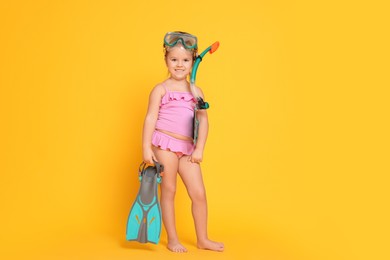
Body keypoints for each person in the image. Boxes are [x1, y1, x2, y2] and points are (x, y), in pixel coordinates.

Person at [142, 31, 224, 253]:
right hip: (164, 144)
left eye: (185, 60)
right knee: (168, 190)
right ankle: (173, 239)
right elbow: (150, 117)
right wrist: (146, 147)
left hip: (188, 148)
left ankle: (203, 239)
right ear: (166, 60)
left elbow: (203, 121)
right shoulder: (160, 89)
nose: (180, 65)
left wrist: (199, 149)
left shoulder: (196, 91)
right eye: (174, 60)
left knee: (199, 193)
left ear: (193, 61)